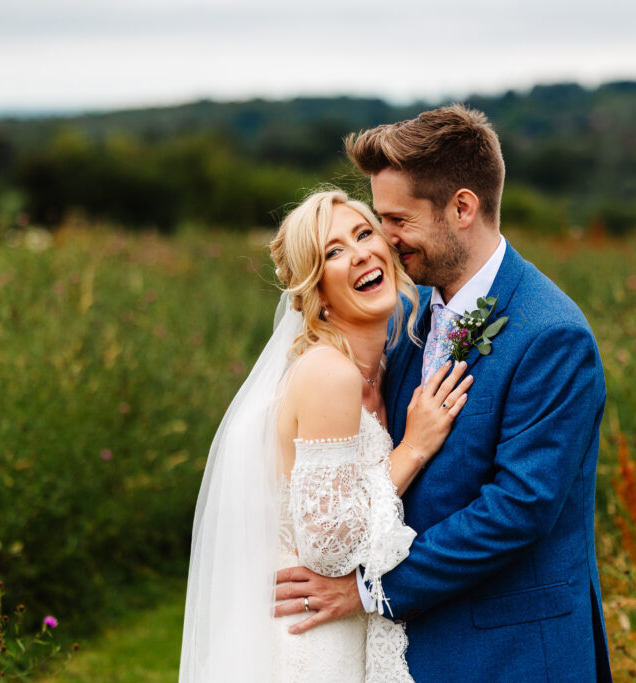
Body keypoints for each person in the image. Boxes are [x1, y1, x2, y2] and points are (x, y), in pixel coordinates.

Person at [275, 106, 614, 682]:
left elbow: (518, 509)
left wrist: (370, 591)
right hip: (411, 648)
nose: (385, 239)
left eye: (397, 220)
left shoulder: (551, 335)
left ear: (462, 207)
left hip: (513, 653)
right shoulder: (404, 316)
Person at [179, 189, 473, 681]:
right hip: (311, 638)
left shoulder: (383, 365)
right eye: (333, 252)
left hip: (347, 624)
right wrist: (414, 448)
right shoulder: (328, 374)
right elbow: (330, 544)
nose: (359, 253)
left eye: (364, 234)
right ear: (315, 290)